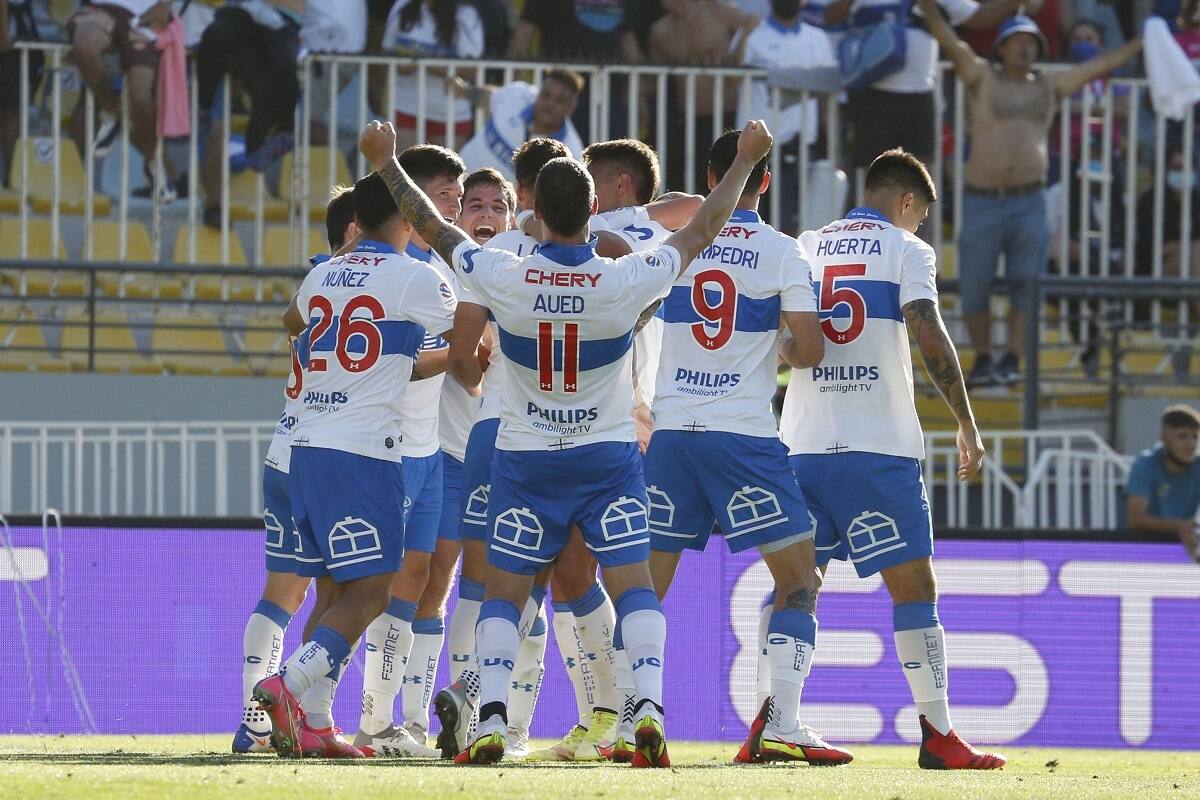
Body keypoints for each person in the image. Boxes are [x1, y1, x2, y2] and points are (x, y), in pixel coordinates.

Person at [357, 116, 775, 766]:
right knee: (633, 586)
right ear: (592, 212)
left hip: (526, 460)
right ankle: (647, 710)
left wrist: (386, 162)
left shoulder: (505, 274)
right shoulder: (622, 279)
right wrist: (745, 160)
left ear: (537, 216)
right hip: (607, 460)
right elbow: (701, 231)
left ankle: (492, 720)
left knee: (504, 592)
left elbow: (434, 229)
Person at [783, 149, 1002, 770]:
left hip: (801, 443)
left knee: (797, 585)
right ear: (908, 202)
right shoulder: (908, 250)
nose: (920, 225)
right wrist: (966, 419)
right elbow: (927, 329)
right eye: (922, 215)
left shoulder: (807, 245)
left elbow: (780, 336)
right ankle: (938, 735)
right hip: (877, 448)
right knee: (914, 589)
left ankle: (777, 722)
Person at [643, 129, 850, 765]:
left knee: (641, 591)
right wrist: (776, 347)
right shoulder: (784, 252)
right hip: (743, 439)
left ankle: (629, 721)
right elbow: (810, 350)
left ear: (712, 180)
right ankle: (782, 721)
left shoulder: (674, 244)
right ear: (766, 181)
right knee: (798, 581)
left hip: (672, 435)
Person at [252, 170, 458, 759]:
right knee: (374, 592)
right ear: (409, 218)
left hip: (305, 446)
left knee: (334, 588)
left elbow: (293, 322)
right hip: (363, 452)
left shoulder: (324, 272)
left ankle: (316, 722)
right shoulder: (415, 276)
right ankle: (288, 685)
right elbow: (472, 320)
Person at [920, 3, 1142, 387]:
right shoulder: (981, 76)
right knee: (974, 286)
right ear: (1001, 47)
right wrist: (929, 9)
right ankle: (984, 358)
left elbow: (1099, 66)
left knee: (1027, 285)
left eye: (1031, 41)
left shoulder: (1048, 85)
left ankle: (1013, 359)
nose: (1025, 47)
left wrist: (1142, 41)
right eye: (1017, 40)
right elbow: (951, 42)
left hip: (1029, 200)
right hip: (983, 199)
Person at [233, 186, 359, 756]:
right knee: (341, 593)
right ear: (356, 230)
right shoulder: (356, 285)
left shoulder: (318, 281)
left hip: (286, 448)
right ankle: (305, 716)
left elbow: (293, 322)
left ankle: (257, 722)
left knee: (282, 596)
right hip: (328, 456)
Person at [354, 144, 466, 759]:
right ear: (409, 201)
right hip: (387, 447)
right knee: (378, 583)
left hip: (431, 448)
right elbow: (425, 362)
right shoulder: (396, 269)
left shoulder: (448, 269)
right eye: (441, 196)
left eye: (455, 198)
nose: (449, 209)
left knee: (421, 579)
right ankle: (366, 721)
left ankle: (405, 723)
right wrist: (472, 348)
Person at [824, 0, 1030, 175]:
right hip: (873, 94)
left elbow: (977, 16)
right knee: (873, 176)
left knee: (919, 176)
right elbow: (830, 16)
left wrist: (1012, 3)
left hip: (920, 96)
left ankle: (914, 213)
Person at [736, 0, 837, 233]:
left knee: (794, 223)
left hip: (802, 145)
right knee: (747, 220)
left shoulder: (818, 39)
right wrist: (744, 35)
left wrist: (833, 146)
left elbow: (827, 98)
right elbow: (732, 81)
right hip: (754, 147)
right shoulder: (753, 35)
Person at [648, 0, 761, 192]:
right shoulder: (660, 31)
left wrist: (736, 51)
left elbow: (755, 26)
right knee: (690, 181)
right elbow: (652, 81)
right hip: (687, 119)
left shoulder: (722, 13)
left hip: (727, 115)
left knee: (730, 180)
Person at [67, 0, 175, 195]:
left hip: (145, 14)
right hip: (102, 8)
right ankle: (111, 113)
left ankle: (154, 163)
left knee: (141, 99)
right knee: (84, 47)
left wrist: (166, 4)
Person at [382, 0, 484, 151]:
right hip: (406, 105)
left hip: (450, 112)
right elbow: (387, 52)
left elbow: (470, 69)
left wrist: (423, 63)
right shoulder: (403, 5)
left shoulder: (466, 14)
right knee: (404, 165)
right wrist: (402, 65)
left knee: (446, 167)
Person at [455, 69, 586, 182]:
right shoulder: (517, 94)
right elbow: (489, 98)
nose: (550, 103)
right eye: (545, 94)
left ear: (571, 107)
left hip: (499, 203)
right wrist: (463, 90)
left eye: (560, 100)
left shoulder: (571, 153)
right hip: (459, 181)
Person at [1125, 405, 1200, 562]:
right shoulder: (1145, 464)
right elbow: (1136, 519)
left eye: (1195, 436)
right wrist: (1179, 526)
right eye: (1182, 436)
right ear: (1163, 439)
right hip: (1140, 552)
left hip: (1179, 554)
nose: (1191, 444)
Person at [0, 0, 43, 188]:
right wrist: (3, 33)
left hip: (16, 35)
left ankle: (13, 176)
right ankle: (13, 177)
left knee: (11, 109)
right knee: (11, 110)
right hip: (11, 39)